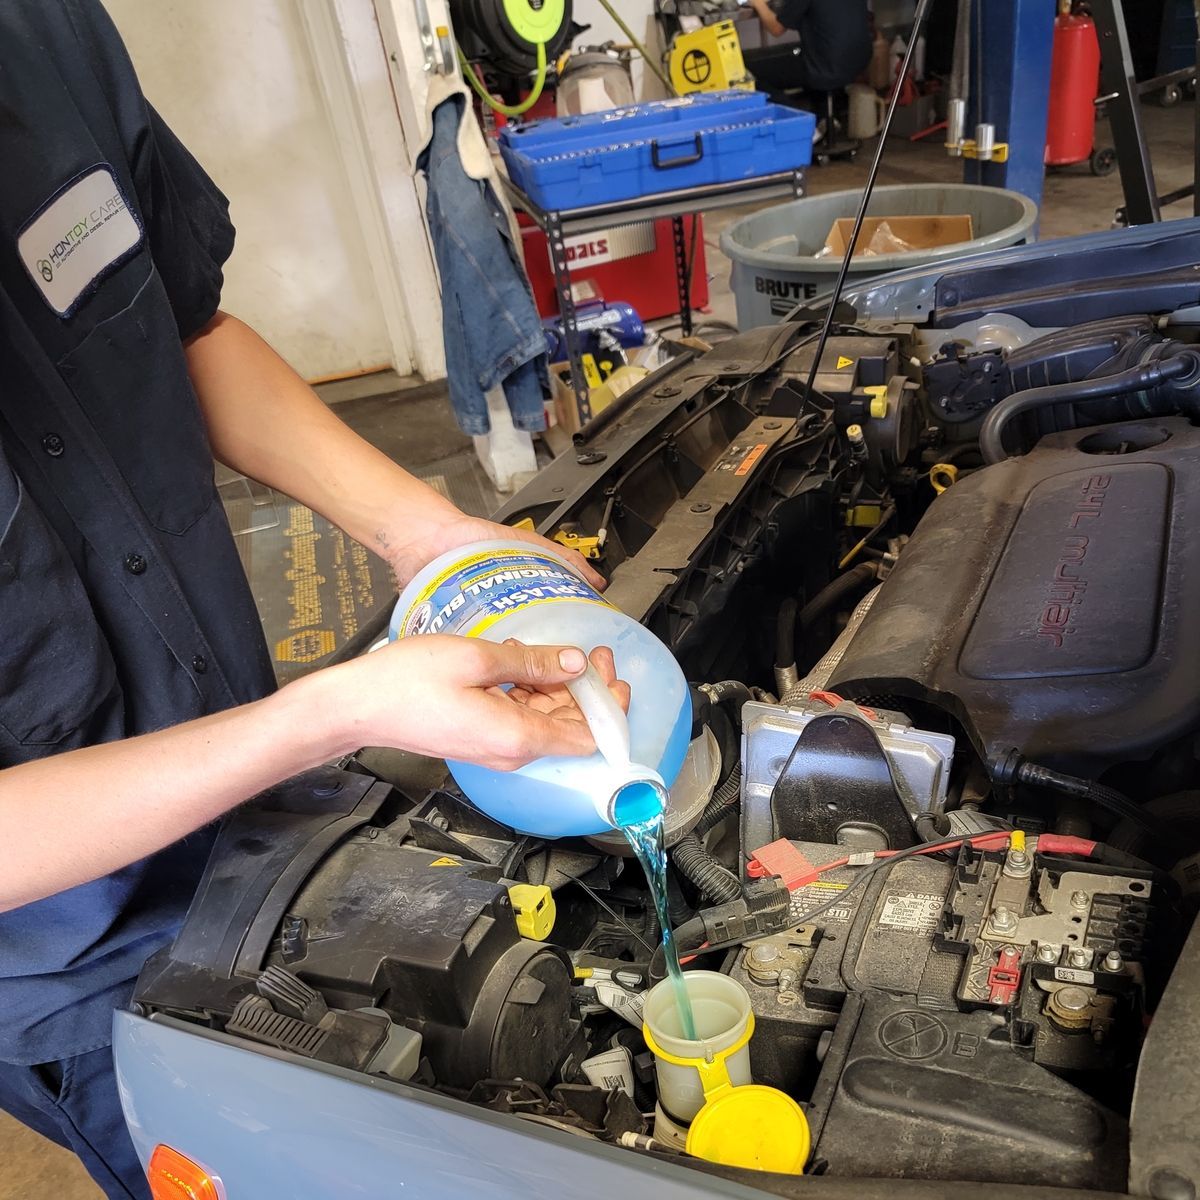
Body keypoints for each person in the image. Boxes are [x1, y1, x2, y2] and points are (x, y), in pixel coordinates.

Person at [0, 2, 628, 1197]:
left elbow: (186, 329)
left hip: (267, 806)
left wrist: (428, 536)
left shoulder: (42, 32)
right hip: (88, 976)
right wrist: (333, 712)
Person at [746, 0, 872, 94]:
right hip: (860, 60)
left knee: (750, 73)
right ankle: (823, 117)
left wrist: (759, 4)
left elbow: (776, 29)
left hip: (827, 66)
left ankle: (794, 119)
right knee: (808, 52)